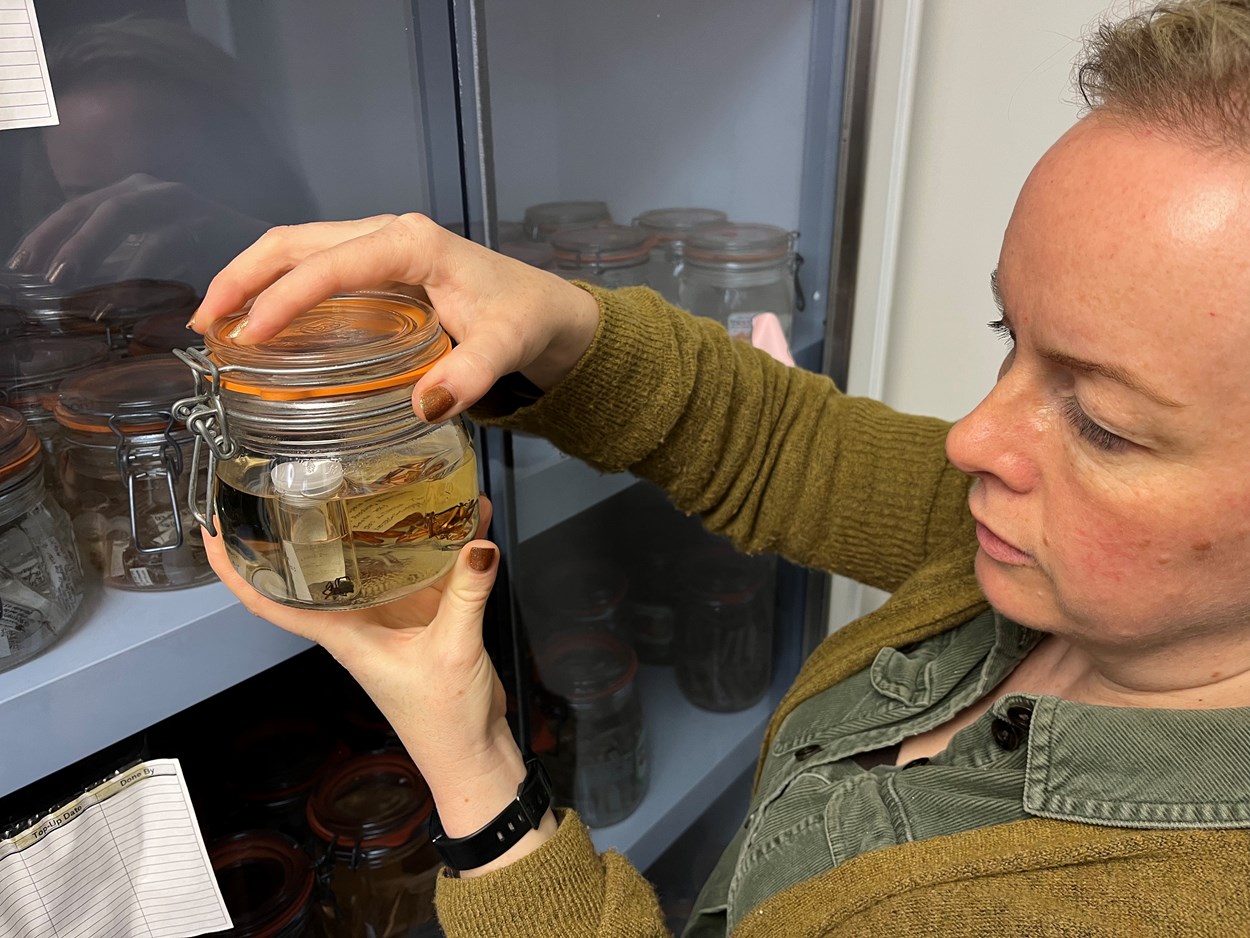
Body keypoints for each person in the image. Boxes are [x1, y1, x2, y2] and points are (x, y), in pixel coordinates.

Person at [190, 1, 1250, 934]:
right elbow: (787, 446)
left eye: (1103, 424)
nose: (971, 437)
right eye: (1004, 333)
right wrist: (553, 316)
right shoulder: (1037, 569)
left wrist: (477, 769)